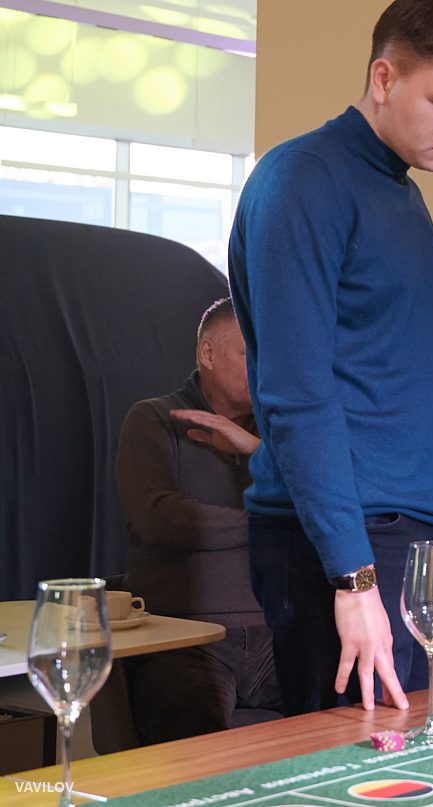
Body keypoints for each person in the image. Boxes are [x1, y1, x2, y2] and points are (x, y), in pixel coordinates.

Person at [228, 0, 433, 713]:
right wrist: (352, 577)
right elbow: (295, 394)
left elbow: (398, 365)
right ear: (384, 77)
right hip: (350, 544)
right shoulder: (304, 178)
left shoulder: (398, 186)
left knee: (407, 755)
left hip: (420, 534)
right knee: (353, 763)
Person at [115, 297, 281, 743]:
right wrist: (267, 519)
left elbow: (320, 504)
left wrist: (259, 450)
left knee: (354, 710)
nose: (263, 367)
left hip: (276, 635)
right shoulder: (153, 419)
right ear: (208, 353)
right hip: (185, 638)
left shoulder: (278, 435)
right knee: (194, 737)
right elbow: (162, 519)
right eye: (249, 353)